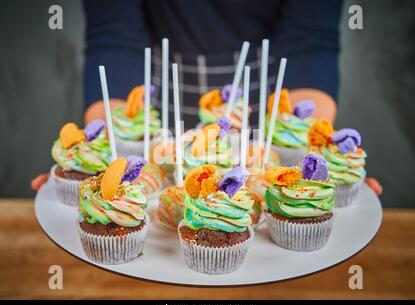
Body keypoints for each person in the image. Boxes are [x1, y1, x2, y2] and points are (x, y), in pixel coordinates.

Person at [32, 0, 382, 195]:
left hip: (270, 102)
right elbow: (114, 39)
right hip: (158, 96)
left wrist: (315, 165)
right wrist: (100, 161)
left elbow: (310, 41)